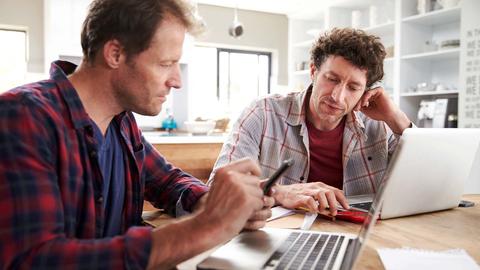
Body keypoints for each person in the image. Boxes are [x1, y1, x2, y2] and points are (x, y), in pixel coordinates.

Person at [0, 0, 274, 269]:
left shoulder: (122, 121)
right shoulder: (23, 116)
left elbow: (167, 182)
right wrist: (206, 227)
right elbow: (35, 258)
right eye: (166, 63)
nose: (177, 80)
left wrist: (216, 204)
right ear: (115, 54)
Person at [208, 28, 412, 216]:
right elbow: (217, 191)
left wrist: (397, 119)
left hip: (362, 236)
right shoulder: (263, 113)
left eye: (353, 87)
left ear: (366, 91)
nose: (337, 97)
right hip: (281, 234)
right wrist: (279, 192)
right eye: (332, 79)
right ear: (313, 71)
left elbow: (430, 186)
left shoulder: (380, 125)